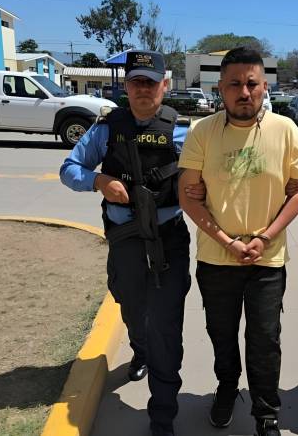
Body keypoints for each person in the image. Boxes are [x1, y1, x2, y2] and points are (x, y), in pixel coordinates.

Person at [60, 50, 204, 436]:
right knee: (131, 305)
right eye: (136, 82)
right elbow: (69, 168)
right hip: (124, 238)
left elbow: (208, 177)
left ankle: (163, 415)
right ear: (125, 86)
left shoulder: (183, 131)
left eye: (150, 82)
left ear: (165, 85)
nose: (143, 89)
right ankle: (140, 349)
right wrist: (99, 181)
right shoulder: (106, 129)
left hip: (168, 239)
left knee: (166, 324)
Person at [177, 47, 298, 436]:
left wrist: (265, 237)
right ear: (220, 88)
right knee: (221, 334)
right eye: (234, 84)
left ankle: (266, 412)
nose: (244, 92)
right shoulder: (202, 132)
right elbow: (187, 195)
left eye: (252, 83)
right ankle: (227, 388)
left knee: (265, 339)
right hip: (216, 259)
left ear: (264, 86)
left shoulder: (285, 130)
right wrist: (228, 241)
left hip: (267, 260)